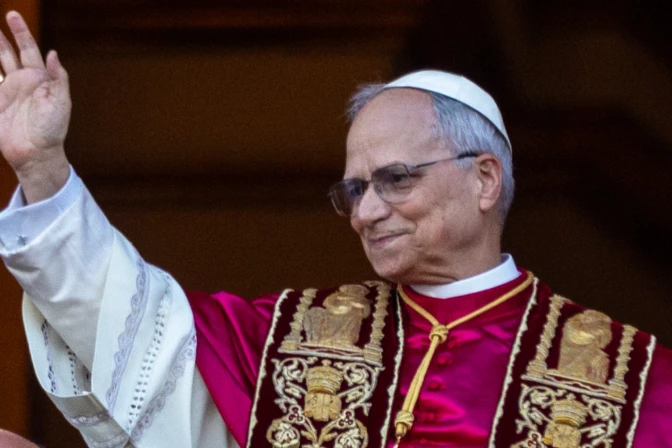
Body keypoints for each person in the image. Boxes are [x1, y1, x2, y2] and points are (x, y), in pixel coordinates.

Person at [1, 10, 671, 448]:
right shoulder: (290, 337)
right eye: (353, 189)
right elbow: (131, 320)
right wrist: (43, 168)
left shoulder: (634, 383)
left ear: (485, 179)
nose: (366, 212)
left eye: (396, 179)